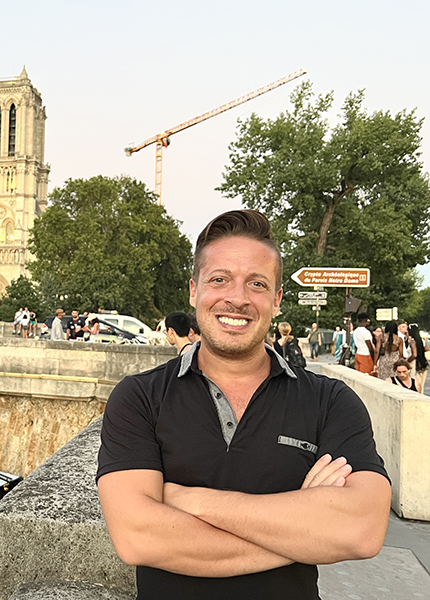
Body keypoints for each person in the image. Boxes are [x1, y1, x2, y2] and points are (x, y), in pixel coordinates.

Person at [97, 209, 390, 600]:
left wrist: (190, 499)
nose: (236, 298)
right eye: (219, 280)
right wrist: (304, 530)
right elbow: (138, 539)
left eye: (256, 284)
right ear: (193, 291)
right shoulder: (139, 398)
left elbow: (361, 531)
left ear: (277, 299)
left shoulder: (330, 401)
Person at [409, 324, 428, 394]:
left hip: (415, 364)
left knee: (416, 384)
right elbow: (427, 349)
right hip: (423, 363)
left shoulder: (412, 342)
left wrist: (407, 361)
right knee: (421, 385)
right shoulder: (422, 341)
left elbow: (414, 354)